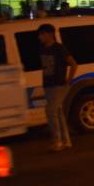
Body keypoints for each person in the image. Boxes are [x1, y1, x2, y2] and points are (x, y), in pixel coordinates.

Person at [37, 23, 77, 151]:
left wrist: (68, 81)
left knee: (50, 111)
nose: (40, 37)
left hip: (59, 85)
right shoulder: (42, 48)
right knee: (58, 113)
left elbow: (74, 64)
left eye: (42, 34)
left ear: (49, 34)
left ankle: (57, 141)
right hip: (48, 85)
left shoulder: (59, 48)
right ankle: (66, 141)